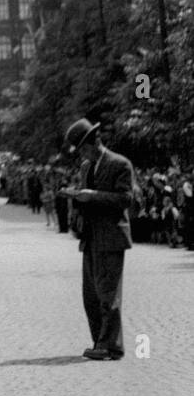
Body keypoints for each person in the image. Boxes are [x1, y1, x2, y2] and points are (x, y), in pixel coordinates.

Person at [62, 118, 136, 361]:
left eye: (83, 148)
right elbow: (87, 200)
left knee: (108, 293)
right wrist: (76, 199)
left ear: (96, 141)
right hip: (91, 237)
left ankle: (110, 346)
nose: (82, 154)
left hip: (111, 236)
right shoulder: (86, 167)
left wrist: (92, 196)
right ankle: (99, 341)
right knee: (91, 295)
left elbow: (125, 199)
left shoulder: (120, 164)